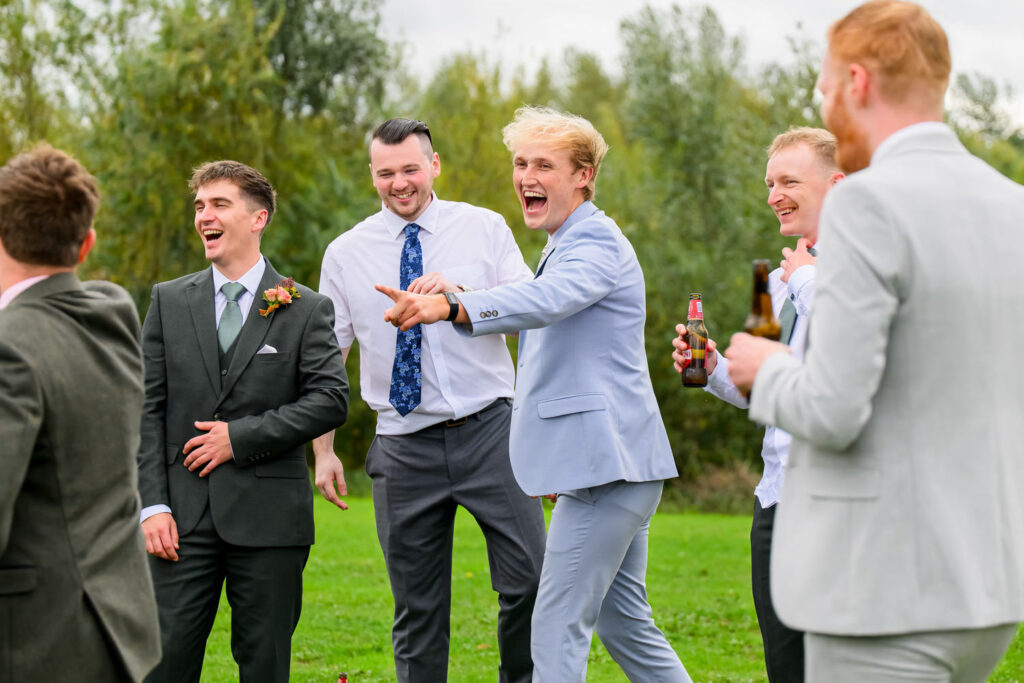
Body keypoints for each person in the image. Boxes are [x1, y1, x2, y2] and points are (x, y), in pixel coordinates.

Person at [724, 2, 1024, 680]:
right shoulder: (1012, 203)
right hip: (989, 586)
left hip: (883, 589)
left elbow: (832, 409)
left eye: (824, 89)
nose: (826, 105)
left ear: (857, 83)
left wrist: (766, 366)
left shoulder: (865, 202)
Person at [378, 107, 689, 682]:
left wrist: (451, 305)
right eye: (521, 163)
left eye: (544, 165)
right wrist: (464, 291)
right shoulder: (564, 242)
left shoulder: (595, 243)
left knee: (554, 624)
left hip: (608, 469)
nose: (526, 177)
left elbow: (545, 302)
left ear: (584, 176)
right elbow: (540, 314)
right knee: (627, 628)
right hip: (601, 466)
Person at [316, 118, 546, 683]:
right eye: (386, 173)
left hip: (492, 432)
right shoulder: (346, 254)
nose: (400, 183)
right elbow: (326, 363)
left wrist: (459, 295)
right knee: (417, 611)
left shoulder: (484, 229)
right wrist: (323, 451)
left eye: (410, 169)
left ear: (434, 166)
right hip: (402, 447)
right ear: (373, 175)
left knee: (531, 583)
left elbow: (531, 306)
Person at [137, 160, 349, 683]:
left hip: (271, 520)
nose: (204, 216)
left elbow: (329, 399)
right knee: (162, 663)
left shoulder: (305, 308)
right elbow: (146, 407)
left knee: (264, 666)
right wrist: (152, 505)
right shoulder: (167, 301)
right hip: (179, 522)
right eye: (199, 206)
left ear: (258, 218)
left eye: (219, 204)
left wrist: (241, 438)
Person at [671, 127, 843, 683]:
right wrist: (715, 366)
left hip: (841, 501)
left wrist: (810, 279)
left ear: (835, 185)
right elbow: (758, 391)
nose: (774, 195)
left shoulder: (863, 271)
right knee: (784, 661)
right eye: (770, 183)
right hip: (775, 500)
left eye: (789, 180)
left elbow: (853, 363)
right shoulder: (768, 282)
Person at [0, 144, 161, 681]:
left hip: (37, 641)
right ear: (86, 243)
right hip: (118, 632)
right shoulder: (111, 313)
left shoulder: (10, 348)